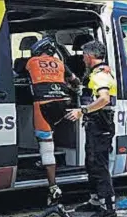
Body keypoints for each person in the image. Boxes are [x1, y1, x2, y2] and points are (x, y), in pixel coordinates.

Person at [64, 40, 117, 217]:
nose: (83, 59)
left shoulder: (100, 76)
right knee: (91, 162)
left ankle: (108, 206)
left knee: (99, 165)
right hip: (96, 125)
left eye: (84, 55)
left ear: (89, 56)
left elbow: (104, 99)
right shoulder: (97, 74)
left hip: (100, 125)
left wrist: (82, 111)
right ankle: (95, 200)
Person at [25, 37, 81, 206]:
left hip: (43, 103)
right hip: (63, 103)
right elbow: (76, 81)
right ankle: (49, 162)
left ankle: (53, 187)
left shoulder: (31, 62)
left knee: (45, 144)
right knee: (52, 131)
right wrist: (71, 88)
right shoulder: (60, 63)